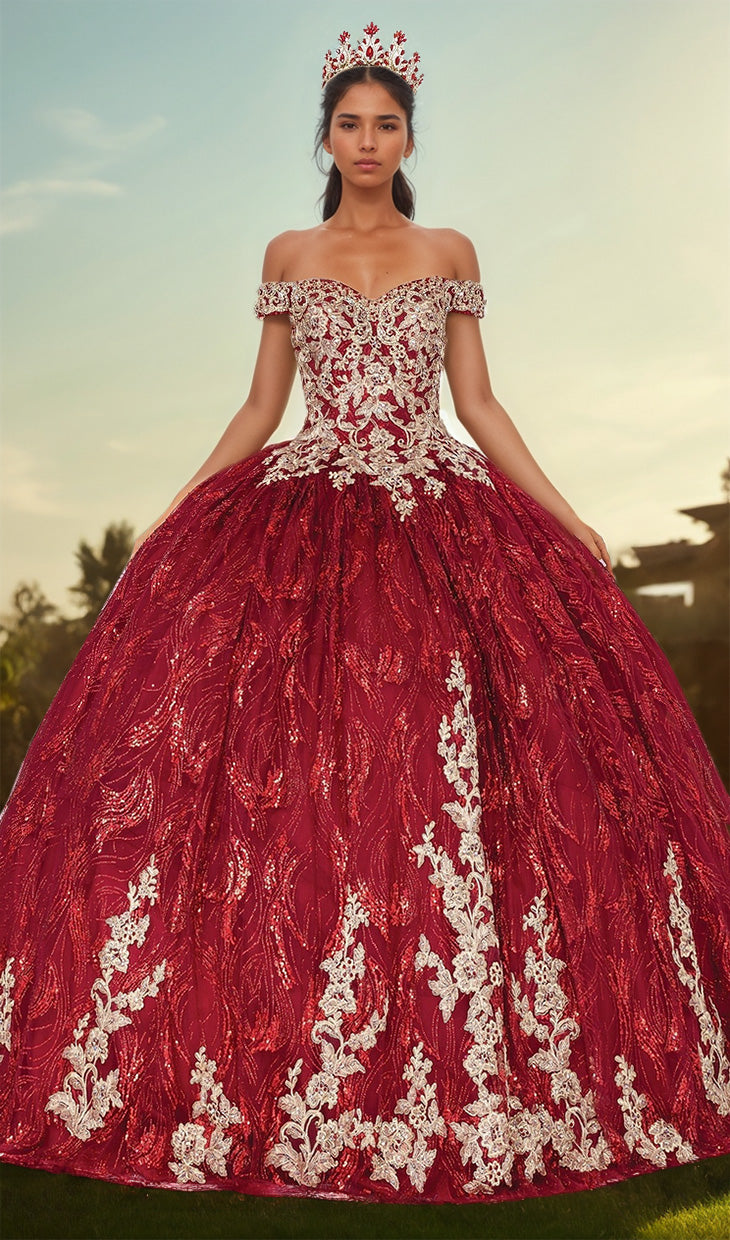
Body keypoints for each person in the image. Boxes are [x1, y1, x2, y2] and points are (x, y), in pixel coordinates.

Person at [1, 21, 729, 1208]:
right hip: (304, 510)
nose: (369, 141)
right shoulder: (288, 250)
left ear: (408, 137)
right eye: (351, 123)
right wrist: (178, 516)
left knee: (458, 763)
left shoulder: (448, 246)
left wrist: (565, 514)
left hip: (439, 507)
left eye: (388, 124)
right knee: (290, 777)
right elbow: (258, 407)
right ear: (325, 137)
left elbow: (479, 403)